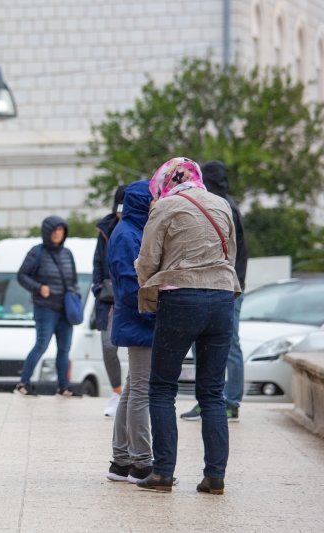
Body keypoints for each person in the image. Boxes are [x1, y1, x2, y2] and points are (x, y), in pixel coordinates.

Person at [134, 157, 240, 495]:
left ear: (165, 181)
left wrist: (149, 286)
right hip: (223, 300)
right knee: (212, 393)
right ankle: (215, 476)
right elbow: (231, 256)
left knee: (163, 388)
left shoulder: (165, 207)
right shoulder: (222, 205)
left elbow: (148, 259)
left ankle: (163, 473)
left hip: (182, 299)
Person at [181, 161, 248, 423]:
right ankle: (208, 400)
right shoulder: (223, 203)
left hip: (227, 286)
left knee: (229, 344)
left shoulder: (224, 206)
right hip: (219, 284)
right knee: (207, 344)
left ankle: (229, 402)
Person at [105, 180, 156, 484]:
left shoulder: (131, 231)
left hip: (136, 318)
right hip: (139, 319)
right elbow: (129, 285)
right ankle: (141, 463)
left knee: (132, 388)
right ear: (140, 203)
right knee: (140, 391)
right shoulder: (127, 235)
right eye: (152, 202)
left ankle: (121, 460)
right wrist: (152, 314)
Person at [16, 216, 79, 397]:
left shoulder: (67, 253)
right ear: (47, 232)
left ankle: (63, 387)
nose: (58, 233)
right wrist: (38, 288)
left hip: (65, 310)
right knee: (41, 345)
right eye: (54, 230)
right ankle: (23, 383)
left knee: (64, 350)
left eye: (61, 230)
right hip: (45, 308)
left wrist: (75, 294)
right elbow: (21, 276)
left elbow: (73, 279)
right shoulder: (37, 252)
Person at [92, 185, 126, 416]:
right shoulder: (106, 228)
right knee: (108, 345)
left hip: (132, 294)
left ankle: (136, 396)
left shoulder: (144, 225)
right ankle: (117, 392)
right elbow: (97, 262)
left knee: (139, 347)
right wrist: (97, 287)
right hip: (108, 297)